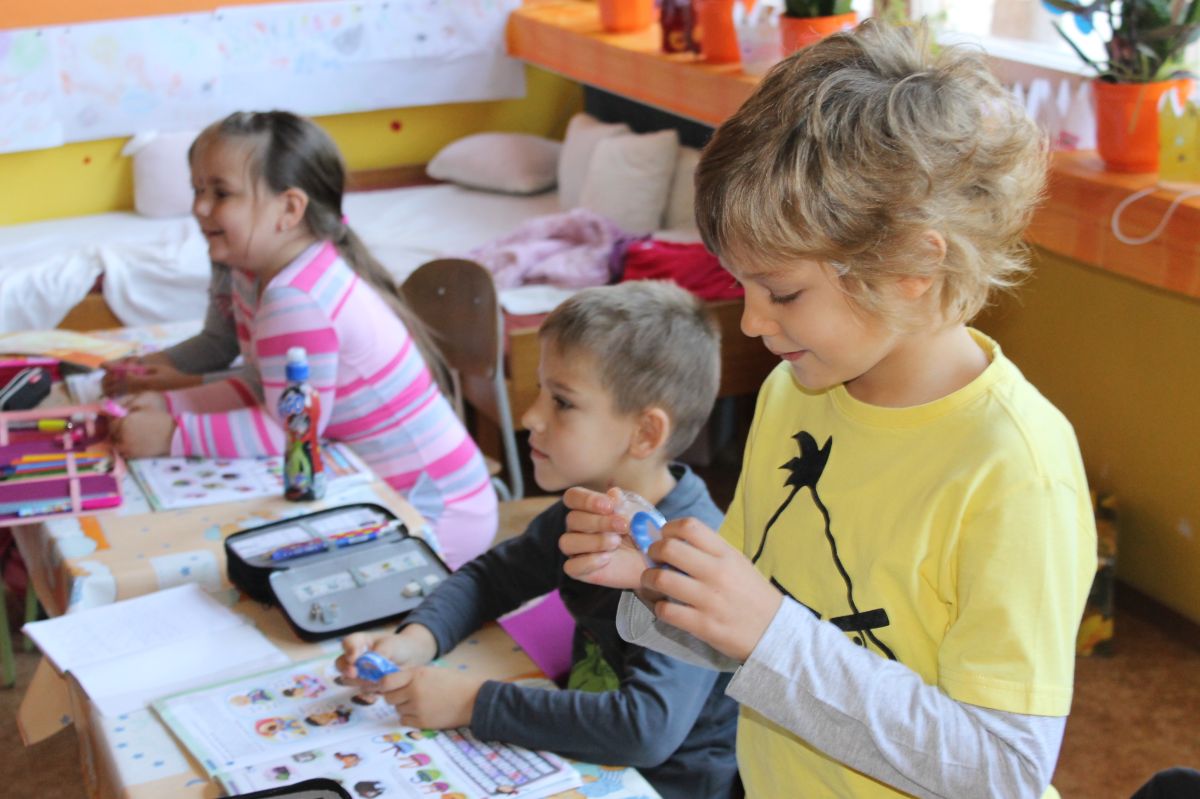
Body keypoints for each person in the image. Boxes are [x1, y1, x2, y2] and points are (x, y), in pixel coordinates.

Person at [558, 21, 1098, 799]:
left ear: (913, 263)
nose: (751, 321)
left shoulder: (1016, 469)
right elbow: (751, 648)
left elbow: (1004, 772)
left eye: (782, 292)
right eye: (742, 285)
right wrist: (656, 582)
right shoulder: (795, 391)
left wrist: (770, 629)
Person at [337, 281, 740, 799]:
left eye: (562, 402)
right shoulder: (590, 507)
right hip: (585, 753)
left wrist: (472, 703)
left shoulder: (688, 557)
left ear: (644, 433)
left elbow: (645, 728)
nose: (530, 417)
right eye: (541, 392)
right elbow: (491, 578)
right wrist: (416, 641)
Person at [112, 111, 496, 568]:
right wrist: (172, 402)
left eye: (221, 193)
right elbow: (265, 388)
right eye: (197, 190)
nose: (200, 207)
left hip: (432, 516)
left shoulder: (297, 299)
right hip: (393, 497)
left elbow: (289, 431)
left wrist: (172, 434)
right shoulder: (258, 277)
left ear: (290, 209)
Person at [100, 263, 237, 395]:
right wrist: (142, 366)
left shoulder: (229, 259)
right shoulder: (225, 264)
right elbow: (220, 341)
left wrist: (183, 384)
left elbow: (251, 383)